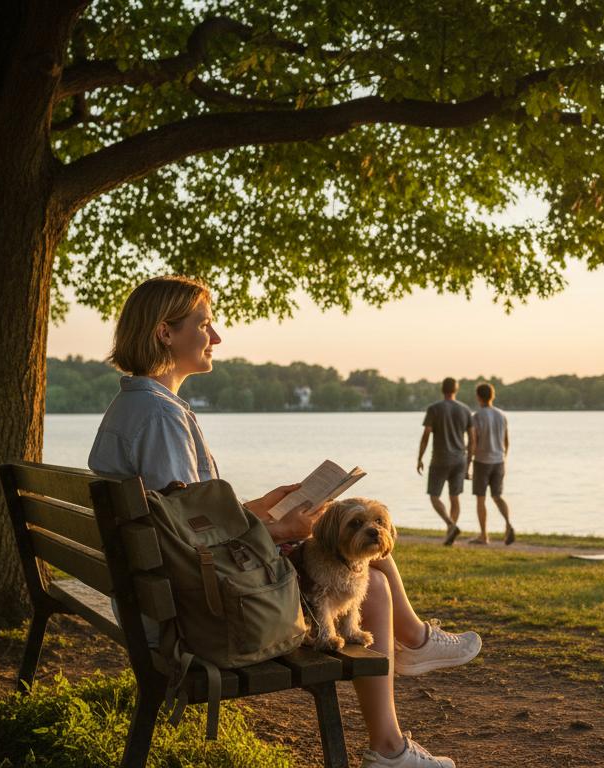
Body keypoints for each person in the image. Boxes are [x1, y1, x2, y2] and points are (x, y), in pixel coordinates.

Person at [88, 276, 479, 768]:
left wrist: (258, 508)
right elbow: (189, 542)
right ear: (165, 333)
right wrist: (280, 531)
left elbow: (181, 518)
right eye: (204, 325)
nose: (216, 337)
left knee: (363, 559)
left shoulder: (137, 406)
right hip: (189, 616)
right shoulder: (160, 417)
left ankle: (416, 645)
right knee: (371, 584)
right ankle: (391, 739)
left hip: (157, 594)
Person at [416, 378, 472, 546]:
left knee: (434, 496)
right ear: (456, 389)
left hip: (440, 459)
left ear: (442, 389)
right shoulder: (465, 410)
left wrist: (420, 458)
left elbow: (426, 435)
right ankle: (450, 532)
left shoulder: (434, 409)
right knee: (455, 497)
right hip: (460, 459)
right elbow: (473, 439)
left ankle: (450, 525)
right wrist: (468, 462)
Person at [468, 382, 513, 545]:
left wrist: (468, 463)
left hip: (482, 461)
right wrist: (503, 457)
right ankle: (508, 524)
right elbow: (506, 440)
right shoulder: (501, 415)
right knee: (497, 496)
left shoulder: (477, 416)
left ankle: (483, 535)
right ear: (492, 396)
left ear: (478, 397)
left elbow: (474, 442)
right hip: (499, 460)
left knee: (481, 498)